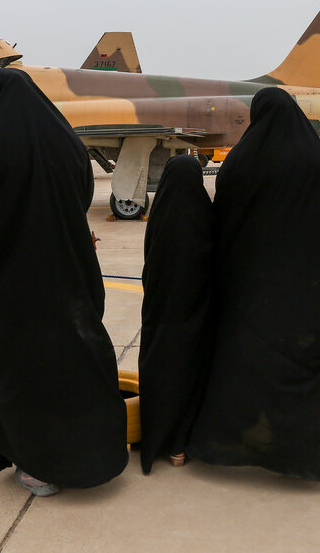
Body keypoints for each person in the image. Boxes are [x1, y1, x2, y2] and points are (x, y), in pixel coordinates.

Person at [0, 68, 127, 497]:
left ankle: (37, 464)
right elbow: (82, 196)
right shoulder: (66, 140)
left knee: (19, 370)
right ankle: (93, 455)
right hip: (67, 276)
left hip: (10, 285)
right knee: (75, 362)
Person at [186, 87, 320, 482]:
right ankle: (315, 455)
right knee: (311, 373)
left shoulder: (241, 162)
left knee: (247, 369)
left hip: (251, 291)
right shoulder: (317, 161)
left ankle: (231, 444)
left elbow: (224, 224)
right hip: (312, 292)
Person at [139, 154, 215, 474]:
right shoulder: (204, 215)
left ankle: (158, 439)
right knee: (192, 374)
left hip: (161, 315)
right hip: (196, 314)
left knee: (161, 372)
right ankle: (182, 446)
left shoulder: (161, 215)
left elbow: (150, 262)